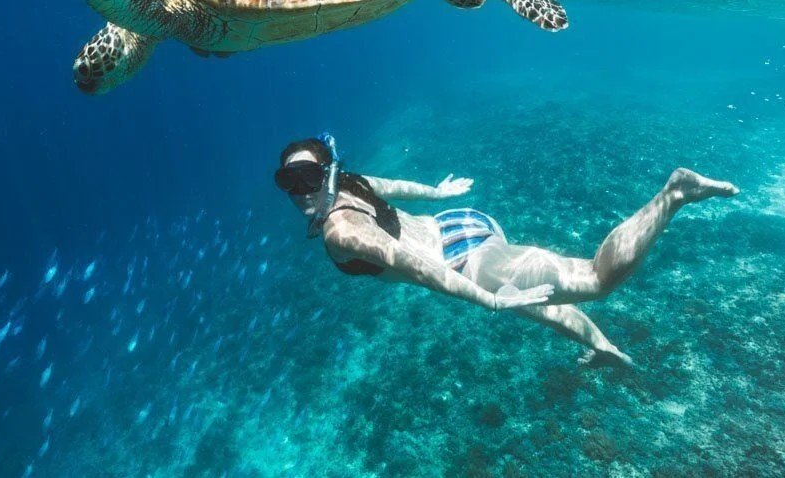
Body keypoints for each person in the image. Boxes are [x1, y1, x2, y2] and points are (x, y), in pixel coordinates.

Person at [274, 135, 739, 365]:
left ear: (327, 174)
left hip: (461, 258)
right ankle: (603, 345)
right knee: (536, 302)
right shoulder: (350, 182)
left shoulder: (340, 232)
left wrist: (491, 301)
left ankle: (674, 193)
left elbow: (419, 269)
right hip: (459, 224)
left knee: (596, 280)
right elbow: (396, 186)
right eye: (287, 182)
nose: (299, 192)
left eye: (307, 178)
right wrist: (438, 193)